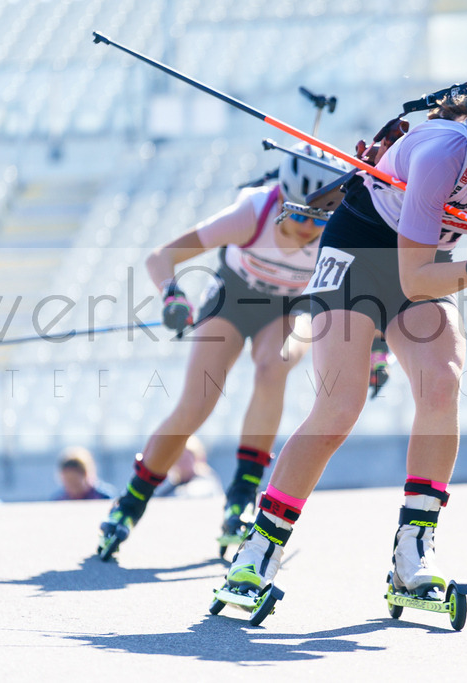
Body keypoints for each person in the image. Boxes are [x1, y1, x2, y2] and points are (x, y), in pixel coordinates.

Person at [223, 57, 467, 602]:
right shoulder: (445, 153)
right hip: (361, 249)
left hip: (425, 260)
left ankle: (412, 555)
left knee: (443, 382)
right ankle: (257, 553)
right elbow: (416, 280)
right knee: (339, 406)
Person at [97, 143, 350, 558]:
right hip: (232, 300)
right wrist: (172, 295)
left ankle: (242, 495)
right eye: (300, 215)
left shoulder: (341, 227)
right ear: (281, 199)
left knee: (274, 366)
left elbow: (368, 286)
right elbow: (161, 257)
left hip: (292, 307)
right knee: (197, 405)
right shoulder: (251, 213)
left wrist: (379, 351)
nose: (309, 227)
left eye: (320, 218)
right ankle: (131, 501)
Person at [154, 435, 224, 499]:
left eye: (186, 459)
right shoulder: (171, 481)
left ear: (196, 458)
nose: (182, 463)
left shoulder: (206, 480)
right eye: (179, 458)